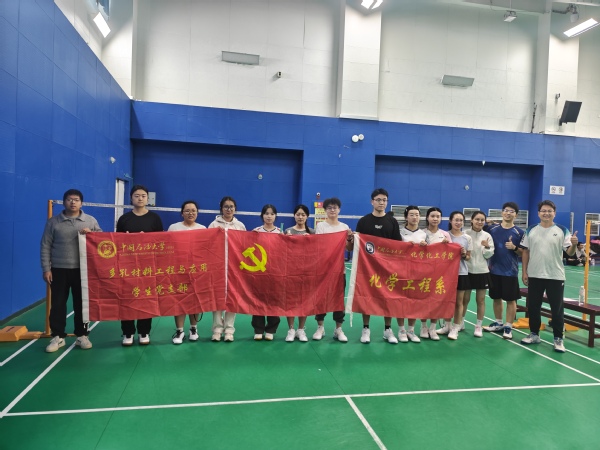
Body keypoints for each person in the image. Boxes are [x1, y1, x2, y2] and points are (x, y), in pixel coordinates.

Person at [41, 189, 102, 353]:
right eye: (69, 199)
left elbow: (102, 240)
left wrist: (92, 234)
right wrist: (46, 268)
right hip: (58, 270)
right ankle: (58, 336)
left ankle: (82, 335)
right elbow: (45, 245)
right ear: (64, 202)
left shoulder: (90, 220)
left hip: (83, 271)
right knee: (58, 304)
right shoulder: (53, 222)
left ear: (81, 203)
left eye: (76, 200)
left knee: (82, 304)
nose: (73, 202)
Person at [520, 200, 578, 353]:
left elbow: (569, 252)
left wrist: (573, 244)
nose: (546, 213)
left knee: (557, 309)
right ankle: (534, 334)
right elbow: (525, 251)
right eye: (543, 211)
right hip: (535, 274)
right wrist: (524, 271)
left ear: (554, 213)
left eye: (549, 211)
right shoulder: (531, 230)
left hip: (555, 275)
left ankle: (558, 338)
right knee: (533, 307)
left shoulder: (562, 230)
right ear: (538, 213)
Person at [117, 185, 164, 346]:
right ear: (131, 198)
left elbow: (160, 242)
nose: (140, 198)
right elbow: (117, 242)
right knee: (128, 298)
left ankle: (144, 332)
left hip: (148, 266)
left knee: (146, 297)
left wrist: (146, 240)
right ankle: (127, 332)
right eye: (137, 195)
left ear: (147, 198)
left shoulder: (155, 218)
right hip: (128, 266)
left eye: (143, 195)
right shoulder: (124, 219)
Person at [354, 188, 402, 344]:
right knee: (367, 296)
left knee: (388, 297)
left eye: (384, 200)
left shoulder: (392, 221)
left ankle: (388, 329)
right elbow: (358, 244)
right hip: (368, 267)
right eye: (379, 200)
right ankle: (365, 328)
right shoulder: (364, 221)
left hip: (388, 267)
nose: (382, 202)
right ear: (372, 201)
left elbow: (397, 245)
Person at [482, 202, 525, 340]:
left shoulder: (519, 232)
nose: (508, 213)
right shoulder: (492, 229)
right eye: (506, 210)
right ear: (502, 212)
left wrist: (514, 248)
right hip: (493, 270)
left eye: (511, 211)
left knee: (511, 300)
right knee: (496, 298)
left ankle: (508, 326)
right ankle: (499, 323)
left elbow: (524, 252)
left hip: (510, 272)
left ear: (516, 215)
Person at [313, 197, 352, 343]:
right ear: (325, 210)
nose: (332, 210)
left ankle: (338, 329)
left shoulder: (344, 227)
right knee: (321, 298)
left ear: (339, 209)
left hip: (339, 270)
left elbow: (349, 248)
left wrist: (349, 238)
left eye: (335, 207)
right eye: (329, 208)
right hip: (323, 269)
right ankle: (320, 327)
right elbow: (319, 246)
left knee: (339, 299)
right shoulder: (321, 226)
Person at [208, 196, 246, 342]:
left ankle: (229, 329)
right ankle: (217, 329)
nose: (229, 209)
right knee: (217, 297)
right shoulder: (213, 224)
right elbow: (207, 245)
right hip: (217, 266)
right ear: (221, 209)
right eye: (226, 207)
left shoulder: (240, 226)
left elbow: (244, 246)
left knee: (232, 297)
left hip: (234, 267)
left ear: (235, 209)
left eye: (231, 207)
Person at [167, 200, 206, 344]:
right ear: (182, 213)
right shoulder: (173, 228)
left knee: (195, 300)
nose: (191, 213)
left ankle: (193, 329)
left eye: (193, 210)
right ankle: (179, 331)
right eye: (187, 210)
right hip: (178, 270)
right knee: (179, 300)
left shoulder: (203, 229)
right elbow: (167, 248)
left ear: (197, 213)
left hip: (196, 271)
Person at [436, 211, 472, 340]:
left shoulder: (467, 238)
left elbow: (468, 257)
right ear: (450, 221)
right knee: (446, 300)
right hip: (446, 273)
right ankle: (447, 325)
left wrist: (463, 254)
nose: (458, 222)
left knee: (458, 301)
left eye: (461, 220)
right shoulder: (443, 235)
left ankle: (456, 327)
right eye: (456, 220)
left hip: (461, 272)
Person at [251, 204, 282, 341]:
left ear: (275, 216)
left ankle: (271, 329)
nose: (269, 216)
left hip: (275, 272)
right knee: (258, 299)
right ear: (262, 215)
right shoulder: (256, 231)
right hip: (259, 272)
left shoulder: (280, 232)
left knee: (273, 300)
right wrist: (251, 237)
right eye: (266, 213)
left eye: (272, 214)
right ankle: (258, 329)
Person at [397, 206, 427, 343]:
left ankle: (411, 330)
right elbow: (394, 249)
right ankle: (401, 330)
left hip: (418, 272)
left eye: (417, 215)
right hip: (402, 271)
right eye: (411, 214)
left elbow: (430, 254)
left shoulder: (423, 234)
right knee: (401, 301)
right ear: (406, 217)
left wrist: (426, 247)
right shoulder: (399, 232)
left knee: (415, 302)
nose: (415, 217)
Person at [284, 204, 314, 342]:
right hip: (290, 271)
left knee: (304, 301)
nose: (300, 217)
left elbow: (317, 251)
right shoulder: (288, 231)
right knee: (290, 300)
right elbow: (282, 251)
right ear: (294, 216)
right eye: (298, 214)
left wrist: (311, 241)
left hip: (307, 272)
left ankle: (301, 330)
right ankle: (291, 329)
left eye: (303, 215)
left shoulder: (312, 232)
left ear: (307, 216)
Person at [421, 207, 451, 341]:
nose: (435, 219)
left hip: (440, 274)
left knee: (436, 301)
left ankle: (433, 328)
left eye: (438, 216)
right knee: (423, 301)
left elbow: (451, 254)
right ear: (427, 218)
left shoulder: (445, 235)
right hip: (423, 273)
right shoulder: (421, 233)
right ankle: (423, 327)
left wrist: (446, 245)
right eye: (432, 216)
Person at [462, 211, 494, 337]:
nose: (480, 222)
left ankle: (478, 326)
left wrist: (487, 247)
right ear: (471, 220)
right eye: (477, 219)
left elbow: (489, 255)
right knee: (465, 300)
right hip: (467, 271)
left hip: (482, 271)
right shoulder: (465, 234)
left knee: (480, 300)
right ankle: (460, 322)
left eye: (482, 220)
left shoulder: (487, 236)